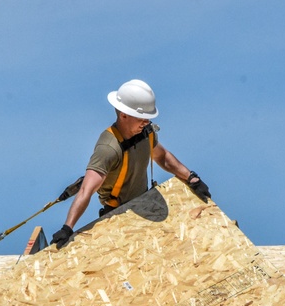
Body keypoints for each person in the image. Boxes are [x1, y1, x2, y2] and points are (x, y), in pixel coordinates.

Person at [50, 79, 210, 246]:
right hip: (119, 218)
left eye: (148, 118)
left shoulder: (146, 133)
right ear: (124, 115)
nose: (146, 122)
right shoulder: (108, 148)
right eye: (141, 118)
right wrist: (67, 228)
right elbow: (86, 190)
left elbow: (162, 157)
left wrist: (191, 178)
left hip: (146, 204)